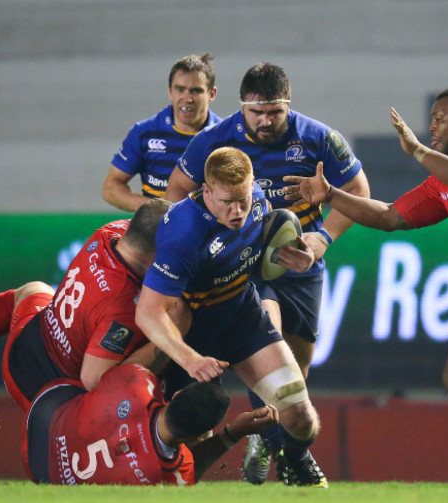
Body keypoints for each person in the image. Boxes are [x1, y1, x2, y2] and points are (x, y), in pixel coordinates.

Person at [283, 83, 448, 488]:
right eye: (430, 122)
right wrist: (331, 195)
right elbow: (392, 216)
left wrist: (420, 153)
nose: (431, 128)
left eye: (440, 119)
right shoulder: (444, 182)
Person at [164, 62, 370, 484]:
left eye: (274, 112)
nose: (264, 121)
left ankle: (282, 448)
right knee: (267, 328)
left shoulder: (317, 138)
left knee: (298, 371)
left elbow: (359, 192)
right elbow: (176, 191)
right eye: (255, 112)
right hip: (244, 263)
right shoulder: (214, 140)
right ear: (242, 107)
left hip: (300, 262)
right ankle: (279, 444)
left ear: (287, 105)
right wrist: (207, 235)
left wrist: (321, 240)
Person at [135, 146, 328, 487]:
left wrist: (297, 256)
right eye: (227, 202)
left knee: (302, 419)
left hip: (243, 319)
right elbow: (148, 313)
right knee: (189, 453)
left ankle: (293, 462)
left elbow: (265, 238)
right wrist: (190, 359)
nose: (238, 211)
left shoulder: (255, 198)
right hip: (192, 336)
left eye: (243, 198)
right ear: (206, 191)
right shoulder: (184, 233)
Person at [0, 199, 185, 411]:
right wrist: (170, 341)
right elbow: (94, 381)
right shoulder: (123, 307)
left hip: (27, 345)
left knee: (33, 290)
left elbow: (149, 226)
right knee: (161, 334)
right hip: (49, 396)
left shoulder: (109, 232)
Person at [23, 362, 279, 485]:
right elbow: (187, 470)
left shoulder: (137, 381)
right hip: (47, 479)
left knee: (95, 377)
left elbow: (153, 350)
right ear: (200, 435)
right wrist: (233, 433)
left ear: (176, 395)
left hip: (41, 420)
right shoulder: (175, 474)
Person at [102, 53, 221, 211]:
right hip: (156, 232)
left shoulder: (225, 136)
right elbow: (111, 188)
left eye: (195, 91)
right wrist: (155, 209)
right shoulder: (144, 133)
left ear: (211, 94)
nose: (187, 98)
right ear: (170, 91)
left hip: (210, 232)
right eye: (180, 89)